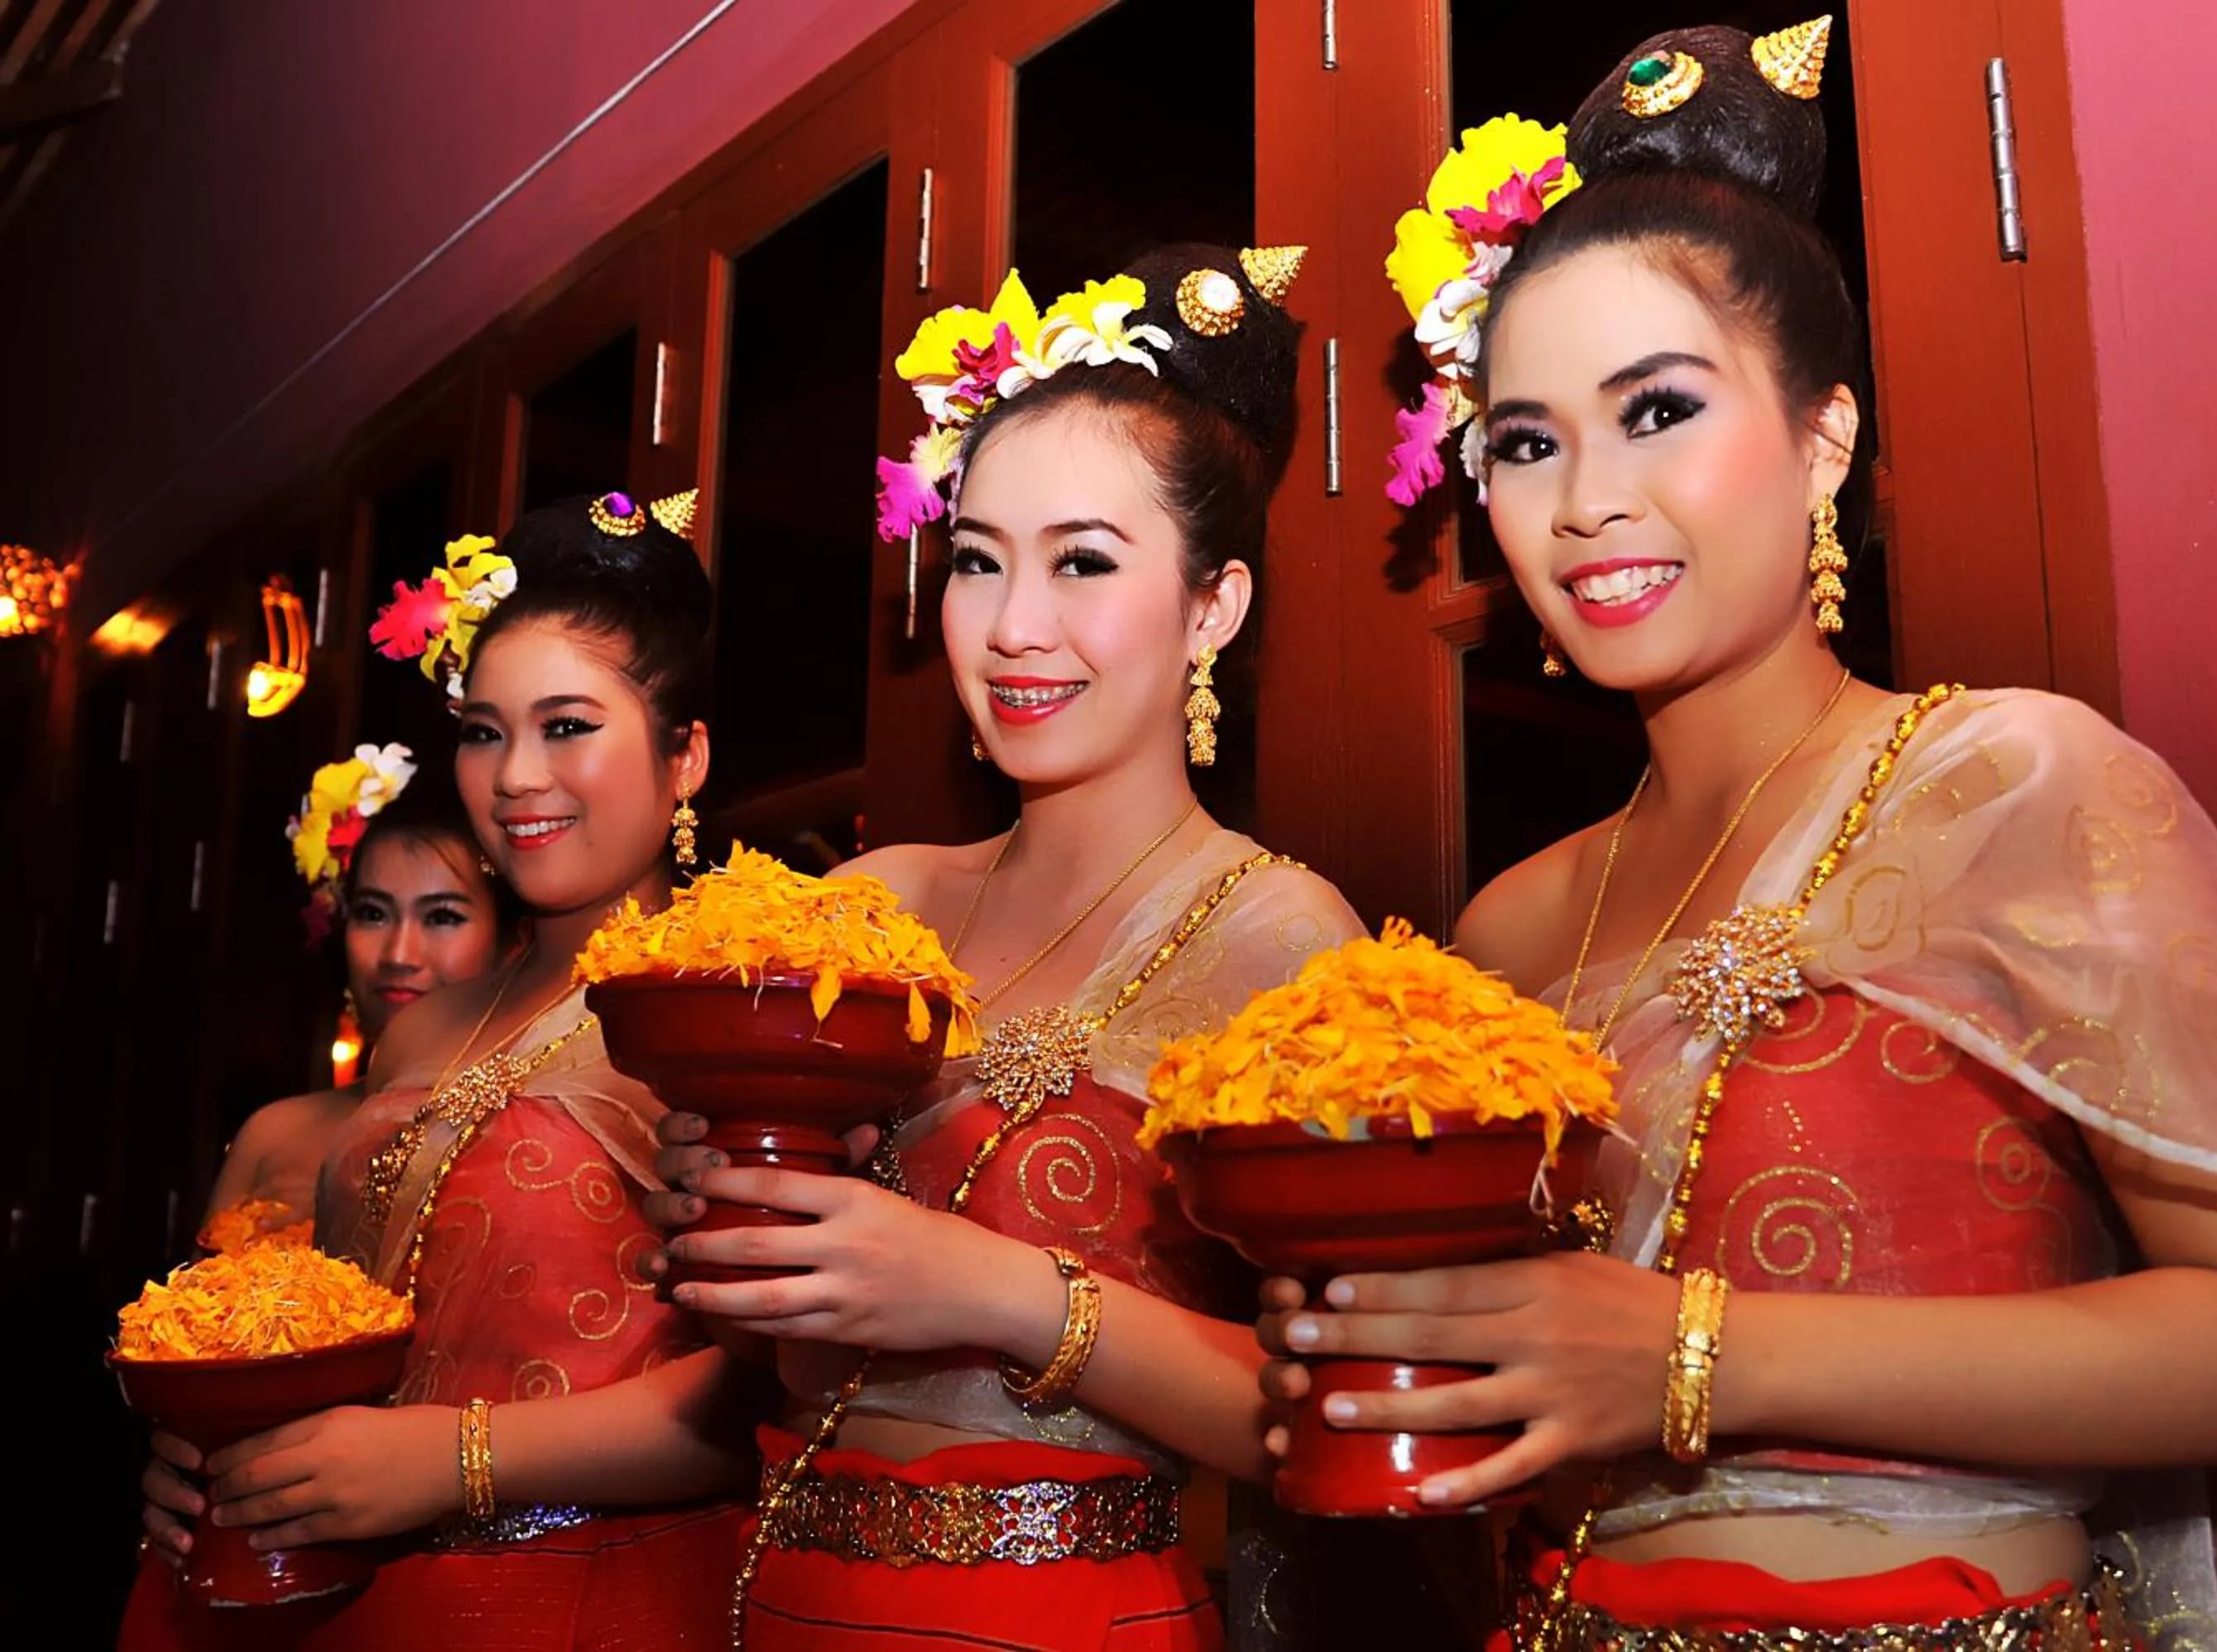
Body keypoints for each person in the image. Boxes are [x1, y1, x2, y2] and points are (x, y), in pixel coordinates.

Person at [1256, 20, 2217, 1647]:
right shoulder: (1508, 928)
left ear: (1824, 438)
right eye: (1528, 441)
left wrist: (1700, 1352)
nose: (1586, 500)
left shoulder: (2011, 784)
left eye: (1660, 409)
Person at [637, 246, 1393, 1651]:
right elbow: (770, 1353)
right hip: (785, 1598)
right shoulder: (871, 905)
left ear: (1213, 607)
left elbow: (1335, 1415)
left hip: (1072, 1615)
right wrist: (731, 1219)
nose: (1012, 627)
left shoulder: (1284, 942)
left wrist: (994, 1289)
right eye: (977, 561)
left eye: (1084, 563)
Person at [123, 492, 765, 1650]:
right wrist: (223, 1445)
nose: (515, 775)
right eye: (483, 729)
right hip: (355, 1602)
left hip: (598, 1596)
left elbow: (767, 1398)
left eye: (567, 727)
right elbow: (349, 1326)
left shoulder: (730, 1006)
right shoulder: (426, 1032)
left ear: (686, 758)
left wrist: (454, 1459)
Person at [194, 758, 519, 1251]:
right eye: (373, 914)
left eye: (443, 917)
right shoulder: (273, 1136)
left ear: (514, 944)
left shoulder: (531, 1137)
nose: (398, 956)